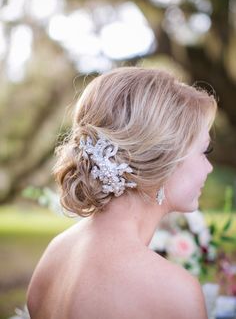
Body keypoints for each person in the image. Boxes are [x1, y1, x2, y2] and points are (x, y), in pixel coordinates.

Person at [27, 67, 217, 319]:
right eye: (204, 152)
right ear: (163, 158)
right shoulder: (172, 292)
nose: (209, 167)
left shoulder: (56, 253)